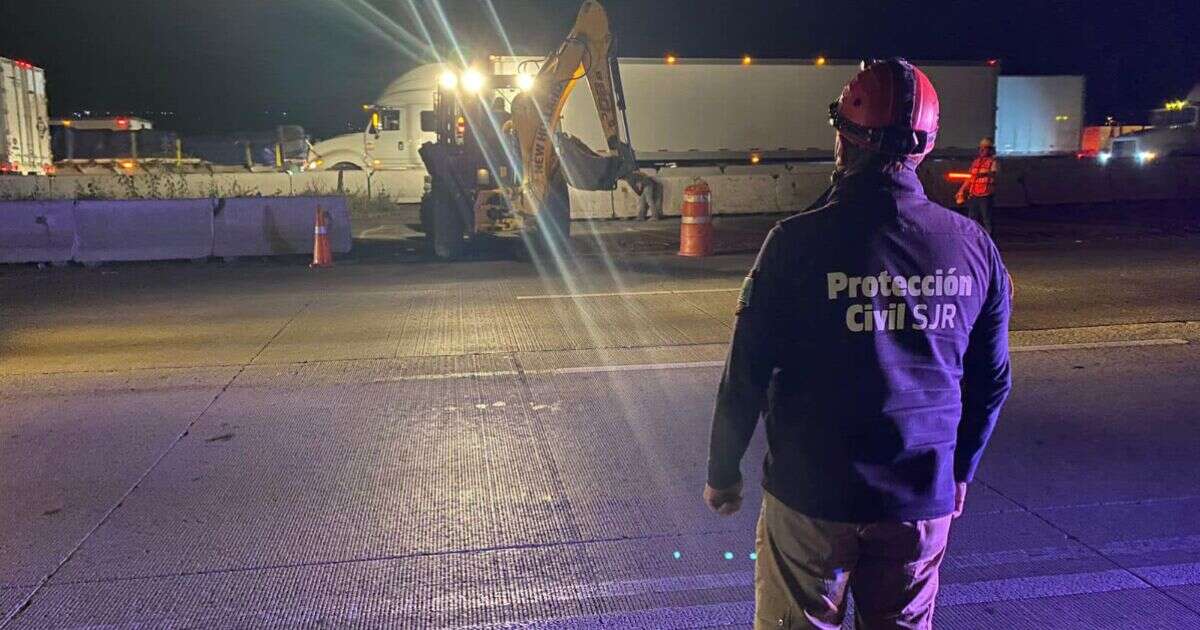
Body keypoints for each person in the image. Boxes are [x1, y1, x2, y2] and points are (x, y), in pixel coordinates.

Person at [704, 58, 1012, 630]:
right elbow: (991, 380)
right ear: (924, 147)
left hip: (812, 497)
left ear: (844, 142)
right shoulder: (974, 247)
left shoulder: (795, 243)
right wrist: (960, 468)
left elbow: (745, 371)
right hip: (919, 500)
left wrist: (723, 471)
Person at [956, 138, 999, 234]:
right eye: (980, 148)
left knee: (987, 219)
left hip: (986, 195)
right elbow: (970, 178)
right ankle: (973, 236)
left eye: (985, 148)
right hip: (974, 194)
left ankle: (989, 240)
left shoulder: (993, 162)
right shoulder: (975, 162)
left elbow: (994, 173)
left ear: (990, 149)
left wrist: (983, 173)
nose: (982, 150)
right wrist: (961, 190)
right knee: (972, 218)